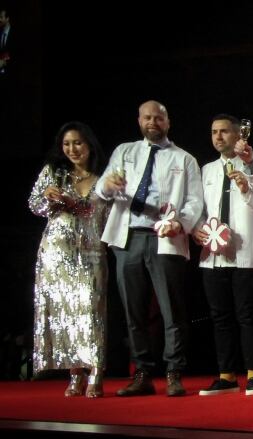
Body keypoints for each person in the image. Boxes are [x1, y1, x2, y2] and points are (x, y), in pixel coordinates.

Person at [96, 100, 204, 397]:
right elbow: (101, 191)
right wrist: (109, 184)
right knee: (134, 310)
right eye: (147, 117)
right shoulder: (124, 151)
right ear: (139, 120)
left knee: (172, 309)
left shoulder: (184, 159)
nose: (153, 122)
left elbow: (195, 201)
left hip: (165, 237)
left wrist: (180, 223)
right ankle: (142, 372)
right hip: (128, 237)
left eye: (159, 118)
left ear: (168, 123)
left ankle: (173, 372)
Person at [194, 114, 253, 396]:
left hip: (247, 255)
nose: (218, 137)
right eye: (214, 132)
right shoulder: (206, 171)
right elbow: (198, 212)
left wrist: (246, 190)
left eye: (224, 132)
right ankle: (226, 376)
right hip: (213, 256)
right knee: (220, 317)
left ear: (239, 135)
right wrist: (197, 229)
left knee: (248, 316)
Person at [28, 121, 108, 398]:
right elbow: (34, 204)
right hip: (56, 252)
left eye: (78, 143)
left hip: (91, 251)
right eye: (67, 144)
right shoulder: (54, 174)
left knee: (91, 310)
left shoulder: (103, 177)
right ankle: (76, 374)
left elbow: (109, 215)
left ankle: (96, 371)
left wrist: (82, 206)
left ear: (89, 145)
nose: (72, 149)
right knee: (65, 312)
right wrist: (48, 199)